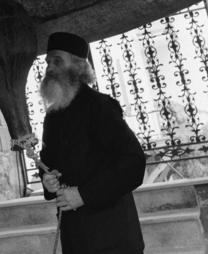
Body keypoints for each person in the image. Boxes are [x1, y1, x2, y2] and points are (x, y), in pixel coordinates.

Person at [39, 32, 146, 254]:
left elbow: (133, 164)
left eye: (57, 61)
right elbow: (48, 163)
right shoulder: (52, 116)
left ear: (77, 67)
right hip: (75, 239)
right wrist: (47, 180)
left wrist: (83, 195)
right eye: (48, 62)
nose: (49, 68)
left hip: (113, 236)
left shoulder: (100, 106)